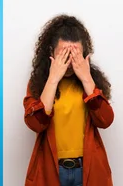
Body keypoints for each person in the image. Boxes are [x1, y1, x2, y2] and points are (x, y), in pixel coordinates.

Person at [23, 14, 114, 186]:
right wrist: (53, 79)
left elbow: (106, 120)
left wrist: (87, 79)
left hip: (87, 169)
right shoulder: (39, 83)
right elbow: (35, 124)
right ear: (51, 52)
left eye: (74, 55)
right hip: (50, 169)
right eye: (64, 54)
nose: (70, 62)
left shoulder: (91, 81)